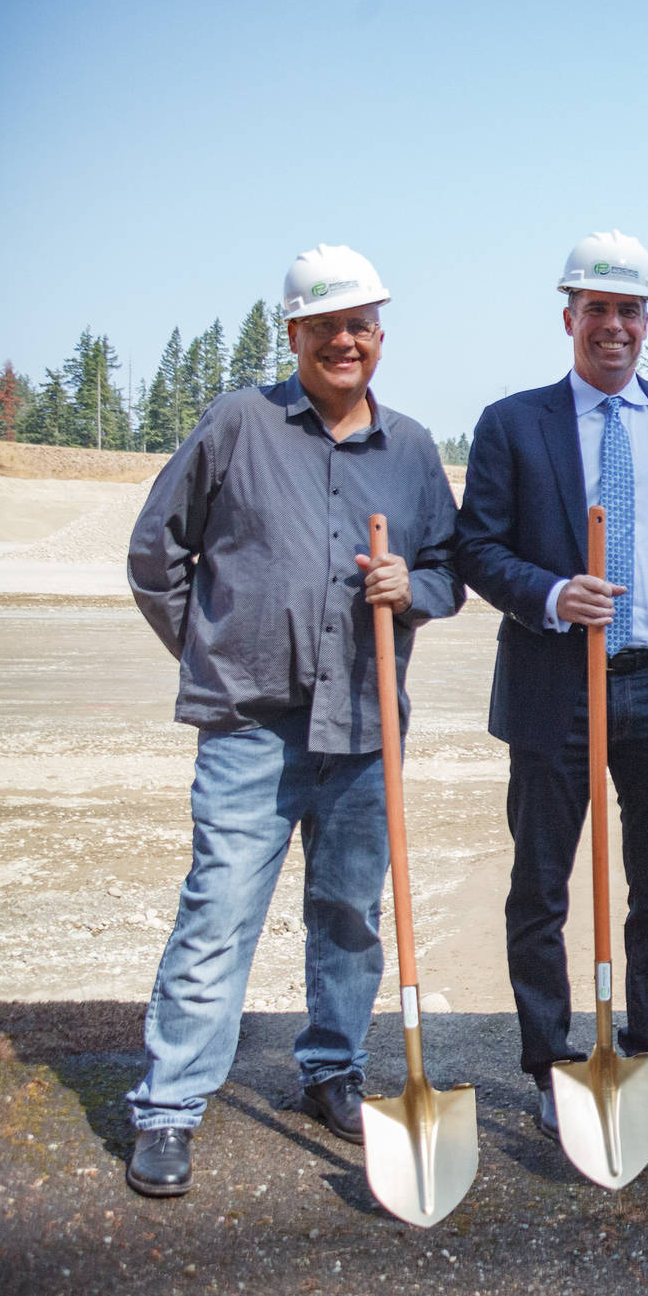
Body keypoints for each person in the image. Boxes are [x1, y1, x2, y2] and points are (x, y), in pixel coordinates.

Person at [122, 245, 461, 1197]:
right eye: (325, 327)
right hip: (251, 725)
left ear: (380, 338)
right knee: (219, 913)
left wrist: (415, 585)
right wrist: (214, 648)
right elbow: (158, 550)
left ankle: (331, 1069)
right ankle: (168, 1107)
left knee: (349, 916)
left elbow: (448, 569)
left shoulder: (411, 448)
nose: (344, 341)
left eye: (360, 325)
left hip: (364, 729)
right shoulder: (240, 421)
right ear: (294, 335)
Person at [454, 230, 648, 1143]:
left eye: (629, 310)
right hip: (554, 685)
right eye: (597, 308)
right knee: (541, 885)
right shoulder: (513, 423)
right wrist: (552, 593)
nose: (614, 325)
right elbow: (477, 549)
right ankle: (549, 1063)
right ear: (568, 316)